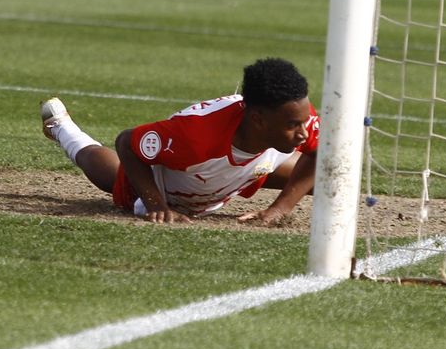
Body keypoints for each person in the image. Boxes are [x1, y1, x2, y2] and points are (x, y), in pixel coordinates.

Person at [40, 58, 321, 225]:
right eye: (293, 125)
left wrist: (279, 210)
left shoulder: (296, 114)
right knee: (111, 176)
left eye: (303, 120)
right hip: (173, 183)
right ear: (259, 119)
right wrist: (156, 205)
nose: (303, 132)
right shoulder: (195, 136)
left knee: (329, 178)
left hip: (247, 162)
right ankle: (62, 128)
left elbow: (320, 153)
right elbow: (127, 141)